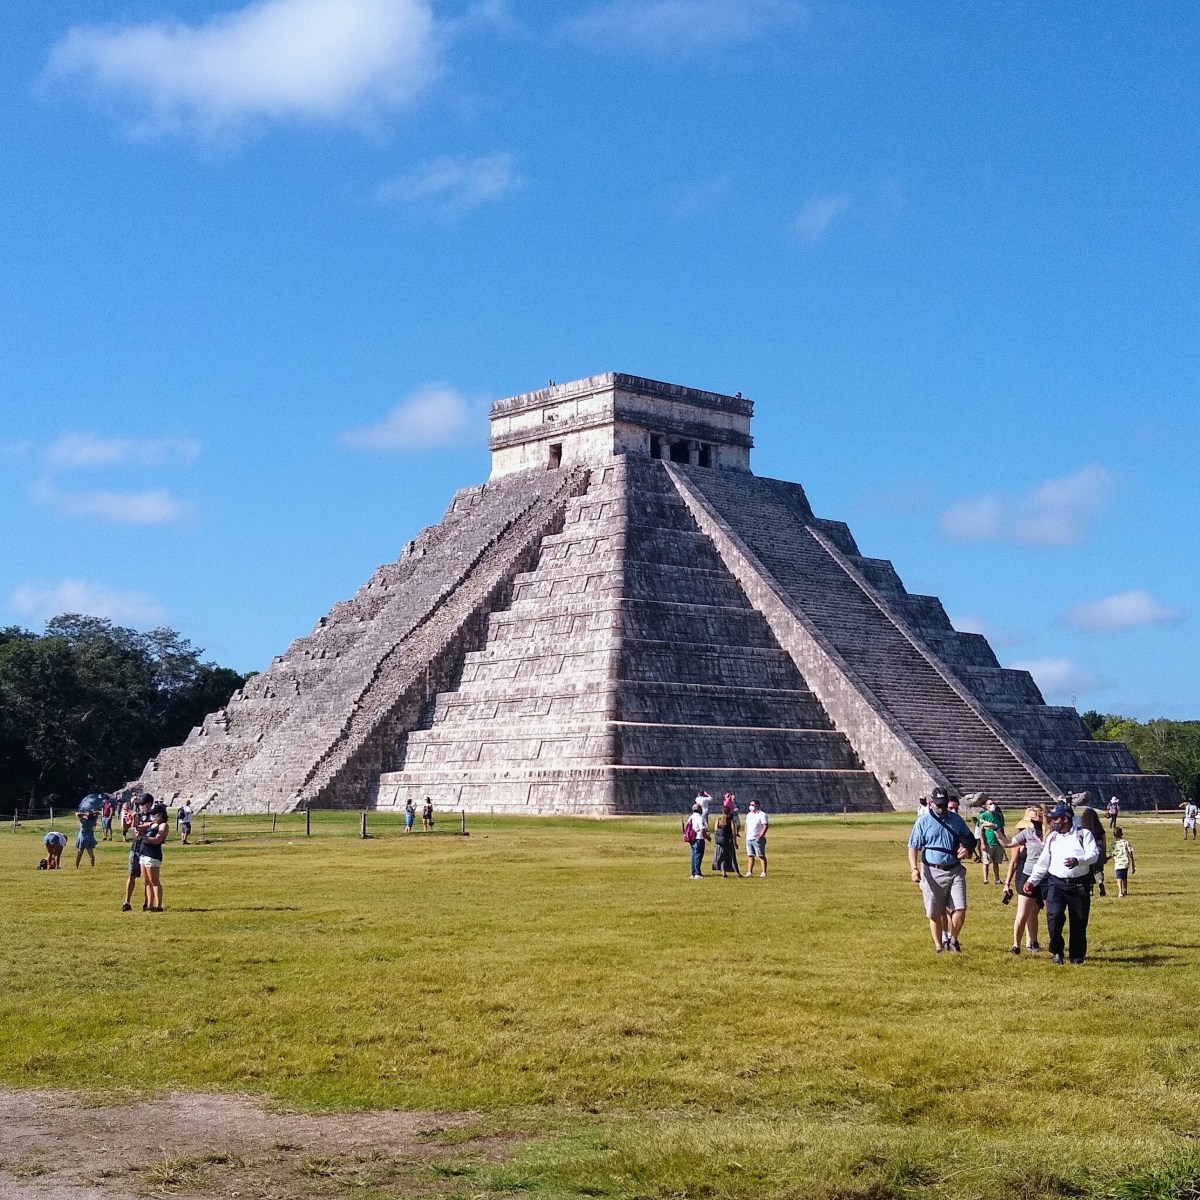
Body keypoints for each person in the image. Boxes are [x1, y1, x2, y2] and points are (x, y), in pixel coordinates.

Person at [1024, 801, 1099, 964]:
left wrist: (1078, 861)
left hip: (1078, 885)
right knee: (1054, 917)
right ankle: (1057, 951)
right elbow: (1043, 863)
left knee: (1079, 921)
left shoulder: (1083, 834)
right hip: (1056, 884)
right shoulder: (1052, 837)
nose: (1052, 821)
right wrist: (1031, 881)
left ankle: (1077, 956)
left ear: (1066, 819)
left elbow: (1094, 855)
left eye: (1055, 818)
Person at [907, 788, 974, 953]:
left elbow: (970, 838)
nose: (942, 808)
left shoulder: (956, 820)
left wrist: (966, 848)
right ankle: (938, 945)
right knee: (935, 912)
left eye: (944, 805)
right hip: (932, 870)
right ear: (931, 803)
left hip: (955, 870)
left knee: (960, 908)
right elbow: (913, 847)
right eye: (938, 805)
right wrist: (914, 869)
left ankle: (953, 939)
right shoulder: (922, 822)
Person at [1002, 806, 1047, 954]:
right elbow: (1011, 853)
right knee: (1024, 913)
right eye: (1031, 819)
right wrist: (1007, 883)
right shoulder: (1026, 834)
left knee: (1045, 912)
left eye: (1035, 818)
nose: (1033, 822)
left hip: (1047, 876)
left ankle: (1034, 941)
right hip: (1026, 876)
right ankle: (1018, 944)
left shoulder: (1052, 834)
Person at [122, 794, 155, 911]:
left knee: (147, 879)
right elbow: (133, 830)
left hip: (148, 849)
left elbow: (152, 826)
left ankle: (147, 902)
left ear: (150, 804)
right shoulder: (138, 815)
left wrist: (140, 825)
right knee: (131, 875)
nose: (142, 807)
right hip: (136, 848)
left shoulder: (155, 815)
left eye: (144, 805)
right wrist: (132, 819)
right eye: (141, 805)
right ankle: (127, 902)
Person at [138, 802, 169, 912]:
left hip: (153, 855)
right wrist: (133, 819)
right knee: (146, 882)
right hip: (144, 854)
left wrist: (144, 837)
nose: (152, 817)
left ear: (160, 815)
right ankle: (149, 905)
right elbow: (137, 827)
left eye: (154, 815)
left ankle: (158, 905)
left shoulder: (163, 825)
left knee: (154, 881)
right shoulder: (152, 824)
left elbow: (157, 840)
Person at [1075, 804, 1108, 897]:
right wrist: (1104, 854)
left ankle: (1090, 890)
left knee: (1088, 871)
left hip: (1089, 850)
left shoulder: (1083, 829)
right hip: (1099, 849)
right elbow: (1104, 840)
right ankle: (1100, 883)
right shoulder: (1099, 828)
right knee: (1098, 870)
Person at [977, 798, 1006, 885]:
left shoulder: (998, 816)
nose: (992, 805)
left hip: (998, 842)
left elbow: (1001, 828)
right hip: (988, 842)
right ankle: (986, 879)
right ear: (986, 806)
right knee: (986, 862)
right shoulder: (983, 816)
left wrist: (1003, 840)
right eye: (990, 804)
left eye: (993, 803)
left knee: (996, 862)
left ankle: (997, 879)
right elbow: (980, 830)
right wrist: (982, 843)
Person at [712, 796, 742, 878]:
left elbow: (715, 830)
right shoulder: (731, 820)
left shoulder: (718, 820)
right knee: (732, 857)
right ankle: (737, 872)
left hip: (720, 842)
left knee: (722, 857)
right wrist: (735, 843)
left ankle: (723, 872)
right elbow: (734, 833)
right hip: (729, 841)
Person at [744, 799, 769, 877]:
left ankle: (764, 872)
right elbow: (746, 824)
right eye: (750, 804)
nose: (751, 806)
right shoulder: (749, 815)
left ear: (757, 805)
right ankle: (749, 872)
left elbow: (765, 825)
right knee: (750, 855)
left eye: (753, 805)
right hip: (749, 838)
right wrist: (746, 833)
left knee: (761, 855)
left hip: (758, 838)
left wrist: (760, 836)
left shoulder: (762, 814)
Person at [684, 802, 708, 878]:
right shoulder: (700, 818)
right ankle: (697, 873)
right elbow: (702, 830)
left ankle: (693, 872)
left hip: (692, 838)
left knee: (694, 855)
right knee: (698, 855)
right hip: (699, 838)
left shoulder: (690, 817)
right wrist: (707, 837)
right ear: (699, 809)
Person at [1110, 827, 1135, 897]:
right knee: (1124, 877)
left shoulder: (1113, 844)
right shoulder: (1126, 842)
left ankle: (1120, 891)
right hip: (1126, 863)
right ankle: (1125, 890)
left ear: (1114, 835)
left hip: (1118, 863)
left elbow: (1112, 854)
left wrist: (1106, 859)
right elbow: (1130, 853)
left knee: (1119, 878)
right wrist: (1133, 864)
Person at [75, 804, 99, 868]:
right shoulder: (93, 820)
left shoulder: (83, 821)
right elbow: (98, 813)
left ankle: (77, 866)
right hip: (90, 837)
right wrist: (93, 813)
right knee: (91, 854)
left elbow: (77, 814)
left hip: (82, 837)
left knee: (80, 853)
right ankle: (92, 866)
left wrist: (85, 814)